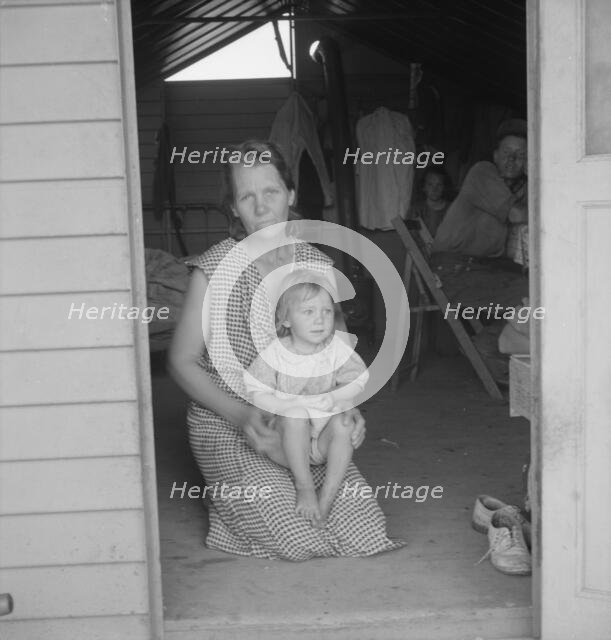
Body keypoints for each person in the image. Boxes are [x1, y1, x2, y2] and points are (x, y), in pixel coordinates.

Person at [168, 140, 401, 560]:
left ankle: (249, 495)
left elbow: (337, 357)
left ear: (291, 196)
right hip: (229, 417)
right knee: (297, 534)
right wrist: (242, 417)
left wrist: (348, 406)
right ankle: (226, 497)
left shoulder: (316, 266)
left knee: (364, 530)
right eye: (246, 196)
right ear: (234, 208)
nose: (261, 207)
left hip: (305, 419)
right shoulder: (214, 269)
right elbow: (181, 362)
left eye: (270, 192)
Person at [244, 270, 369, 528]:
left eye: (326, 312)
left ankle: (326, 499)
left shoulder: (335, 350)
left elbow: (357, 379)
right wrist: (285, 406)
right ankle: (305, 488)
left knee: (344, 424)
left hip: (321, 442)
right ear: (285, 319)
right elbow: (256, 391)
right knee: (296, 415)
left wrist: (342, 399)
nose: (320, 320)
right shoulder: (276, 354)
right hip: (286, 444)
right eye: (308, 312)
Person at [429, 119, 529, 312]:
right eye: (507, 153)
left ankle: (495, 340)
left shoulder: (517, 188)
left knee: (537, 281)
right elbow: (517, 215)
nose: (512, 160)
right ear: (496, 156)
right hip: (454, 273)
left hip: (481, 268)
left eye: (521, 155)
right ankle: (494, 341)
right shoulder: (482, 172)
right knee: (536, 290)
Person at [408, 167, 452, 237]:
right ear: (424, 187)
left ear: (444, 187)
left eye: (439, 185)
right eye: (430, 185)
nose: (435, 189)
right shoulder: (415, 210)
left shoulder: (453, 209)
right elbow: (411, 237)